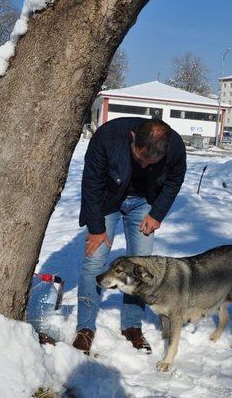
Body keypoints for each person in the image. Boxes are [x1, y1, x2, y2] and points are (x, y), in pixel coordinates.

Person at [73, 117, 186, 355]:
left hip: (144, 203)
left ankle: (132, 326)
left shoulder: (174, 146)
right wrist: (95, 228)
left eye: (151, 162)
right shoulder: (107, 137)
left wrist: (157, 213)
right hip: (106, 201)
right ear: (133, 138)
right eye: (140, 158)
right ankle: (85, 329)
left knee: (141, 264)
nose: (144, 166)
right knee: (94, 261)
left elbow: (174, 180)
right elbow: (91, 183)